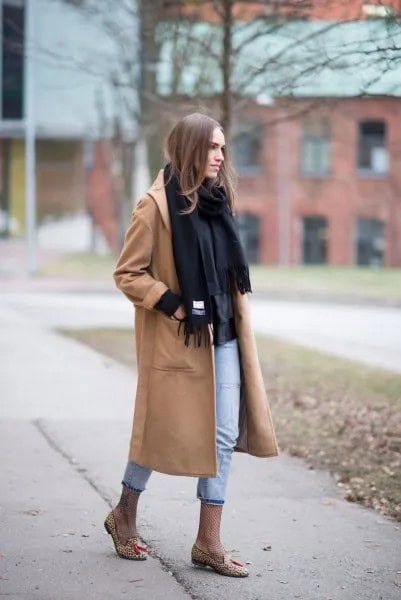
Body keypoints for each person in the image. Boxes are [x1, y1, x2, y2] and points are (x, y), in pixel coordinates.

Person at [104, 112, 278, 577]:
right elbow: (127, 272)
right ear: (189, 149)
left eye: (223, 147)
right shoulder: (154, 206)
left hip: (223, 333)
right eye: (212, 147)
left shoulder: (219, 201)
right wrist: (171, 303)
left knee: (221, 435)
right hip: (180, 338)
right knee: (160, 430)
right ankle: (123, 513)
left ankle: (208, 541)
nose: (221, 156)